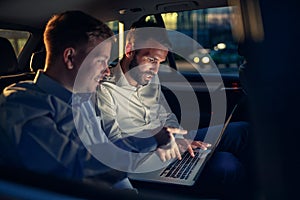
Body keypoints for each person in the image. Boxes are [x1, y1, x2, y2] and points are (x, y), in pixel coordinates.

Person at [0, 11, 187, 195]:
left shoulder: (82, 101)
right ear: (70, 58)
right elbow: (76, 169)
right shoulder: (21, 104)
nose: (107, 72)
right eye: (100, 61)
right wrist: (152, 139)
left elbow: (104, 153)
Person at [96, 20, 250, 198]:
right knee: (227, 165)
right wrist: (160, 139)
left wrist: (179, 140)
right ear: (129, 50)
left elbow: (167, 116)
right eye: (151, 59)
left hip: (169, 144)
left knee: (242, 131)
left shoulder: (150, 77)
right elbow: (116, 144)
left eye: (160, 62)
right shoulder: (105, 89)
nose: (155, 69)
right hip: (142, 162)